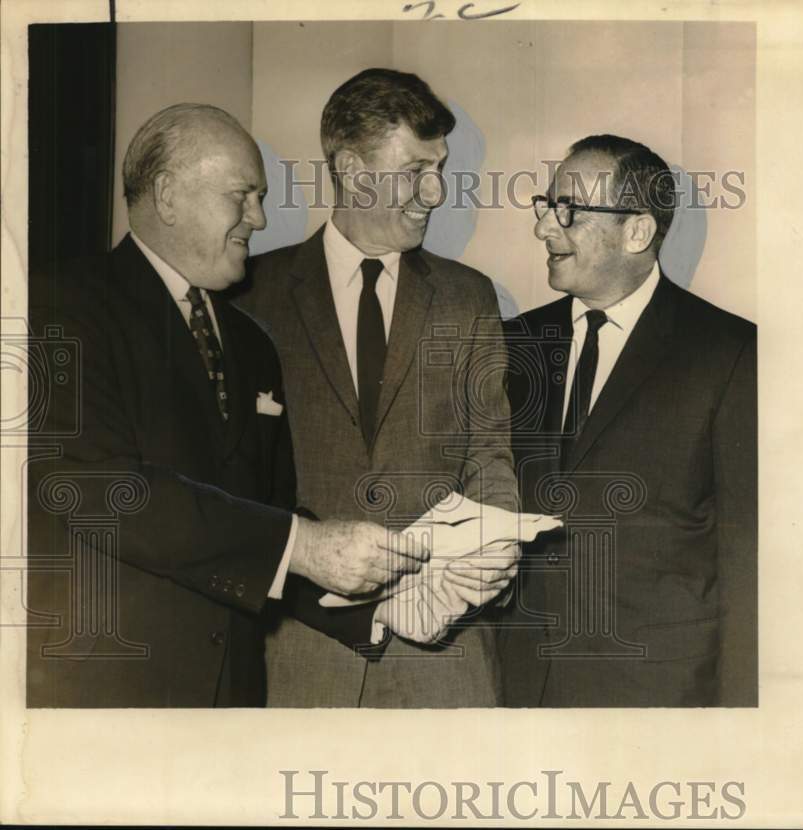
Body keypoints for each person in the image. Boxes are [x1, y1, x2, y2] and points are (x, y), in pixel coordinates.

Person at [26, 103, 431, 708]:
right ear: (167, 196)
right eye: (242, 195)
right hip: (107, 693)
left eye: (261, 197)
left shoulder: (251, 343)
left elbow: (265, 517)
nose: (260, 218)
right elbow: (103, 490)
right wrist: (305, 546)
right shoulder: (56, 307)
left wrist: (377, 608)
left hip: (233, 700)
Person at [238, 68, 518, 708]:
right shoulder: (250, 297)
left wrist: (496, 545)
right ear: (354, 171)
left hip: (445, 665)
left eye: (440, 168)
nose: (435, 191)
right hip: (295, 663)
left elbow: (489, 455)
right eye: (416, 168)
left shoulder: (468, 298)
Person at [500, 135, 757, 707]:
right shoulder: (512, 343)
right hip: (518, 686)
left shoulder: (728, 352)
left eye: (568, 211)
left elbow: (747, 555)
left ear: (637, 232)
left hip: (657, 693)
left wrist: (742, 720)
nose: (544, 228)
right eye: (546, 206)